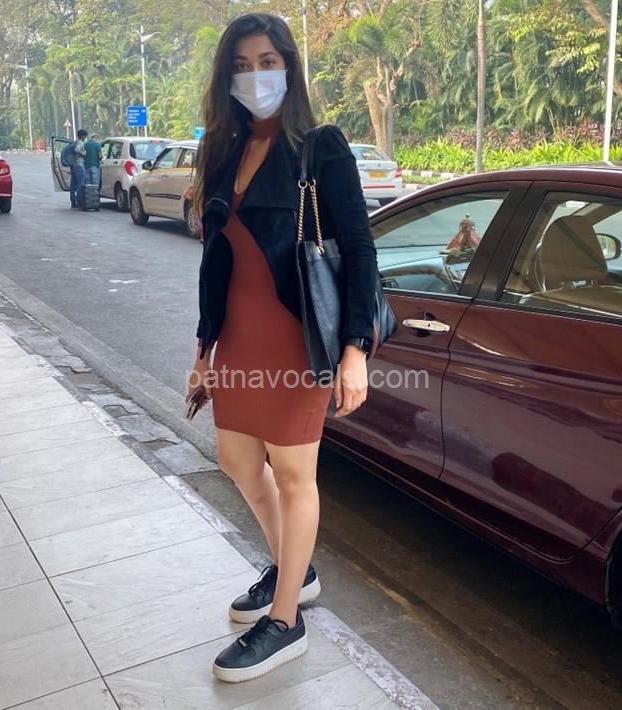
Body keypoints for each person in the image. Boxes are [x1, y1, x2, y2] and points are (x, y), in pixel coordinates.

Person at [188, 13, 379, 683]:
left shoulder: (320, 147)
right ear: (226, 77)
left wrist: (356, 348)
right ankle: (294, 568)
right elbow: (215, 261)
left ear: (290, 67)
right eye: (241, 65)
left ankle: (286, 619)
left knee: (295, 474)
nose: (255, 76)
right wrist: (204, 349)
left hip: (298, 340)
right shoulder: (222, 150)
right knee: (237, 459)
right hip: (240, 339)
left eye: (267, 62)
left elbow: (359, 248)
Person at [69, 129, 87, 208]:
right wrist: (84, 153)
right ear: (83, 136)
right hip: (79, 165)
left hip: (74, 165)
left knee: (73, 185)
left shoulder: (75, 142)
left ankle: (73, 202)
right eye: (85, 136)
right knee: (81, 184)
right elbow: (76, 150)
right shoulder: (81, 143)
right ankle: (80, 202)